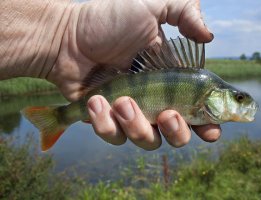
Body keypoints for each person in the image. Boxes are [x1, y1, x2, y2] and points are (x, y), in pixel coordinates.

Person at [0, 0, 221, 150]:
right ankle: (59, 118)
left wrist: (62, 32)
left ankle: (60, 118)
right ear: (215, 95)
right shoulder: (202, 86)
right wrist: (64, 33)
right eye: (238, 98)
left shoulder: (202, 84)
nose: (243, 101)